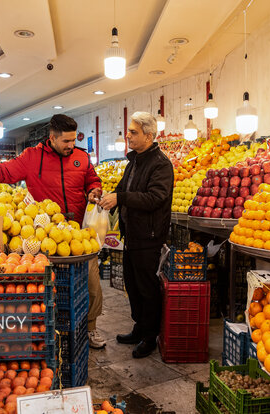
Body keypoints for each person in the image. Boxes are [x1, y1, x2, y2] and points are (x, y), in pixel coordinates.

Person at [0, 114, 107, 349]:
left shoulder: (82, 157)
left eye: (73, 140)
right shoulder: (32, 157)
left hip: (78, 233)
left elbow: (91, 179)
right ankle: (52, 333)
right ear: (52, 138)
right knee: (49, 288)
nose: (70, 145)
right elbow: (4, 173)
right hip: (44, 234)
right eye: (65, 141)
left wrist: (94, 189)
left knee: (92, 284)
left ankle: (91, 327)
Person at [99, 111, 174, 358]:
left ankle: (150, 336)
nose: (128, 135)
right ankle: (139, 328)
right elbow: (123, 189)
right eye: (129, 131)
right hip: (131, 235)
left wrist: (120, 197)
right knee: (132, 284)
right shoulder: (134, 162)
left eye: (133, 132)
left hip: (149, 237)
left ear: (149, 135)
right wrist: (107, 197)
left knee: (147, 288)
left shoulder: (161, 164)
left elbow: (155, 198)